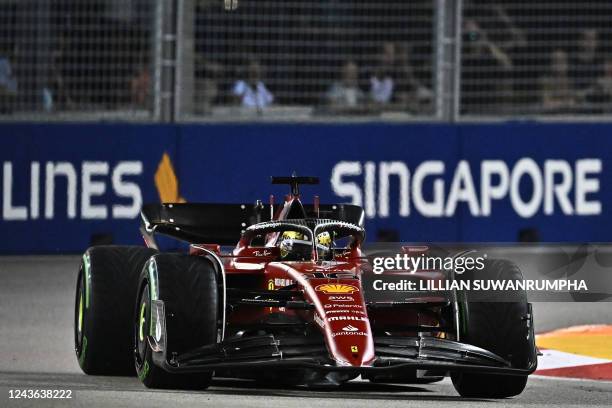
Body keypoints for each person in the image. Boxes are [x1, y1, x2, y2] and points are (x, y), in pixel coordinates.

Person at [461, 19, 513, 114]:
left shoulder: (490, 51)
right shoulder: (468, 44)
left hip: (487, 97)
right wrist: (473, 34)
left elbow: (506, 65)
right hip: (469, 93)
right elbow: (473, 43)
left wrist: (487, 44)